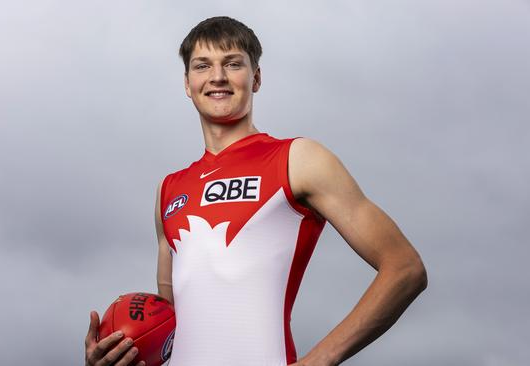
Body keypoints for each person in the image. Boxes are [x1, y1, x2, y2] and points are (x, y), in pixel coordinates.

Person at [85, 16, 427, 366]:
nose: (217, 76)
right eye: (202, 66)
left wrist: (318, 360)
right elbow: (172, 327)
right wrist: (120, 355)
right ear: (188, 83)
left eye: (232, 64)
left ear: (256, 78)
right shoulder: (169, 190)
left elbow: (405, 268)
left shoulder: (298, 159)